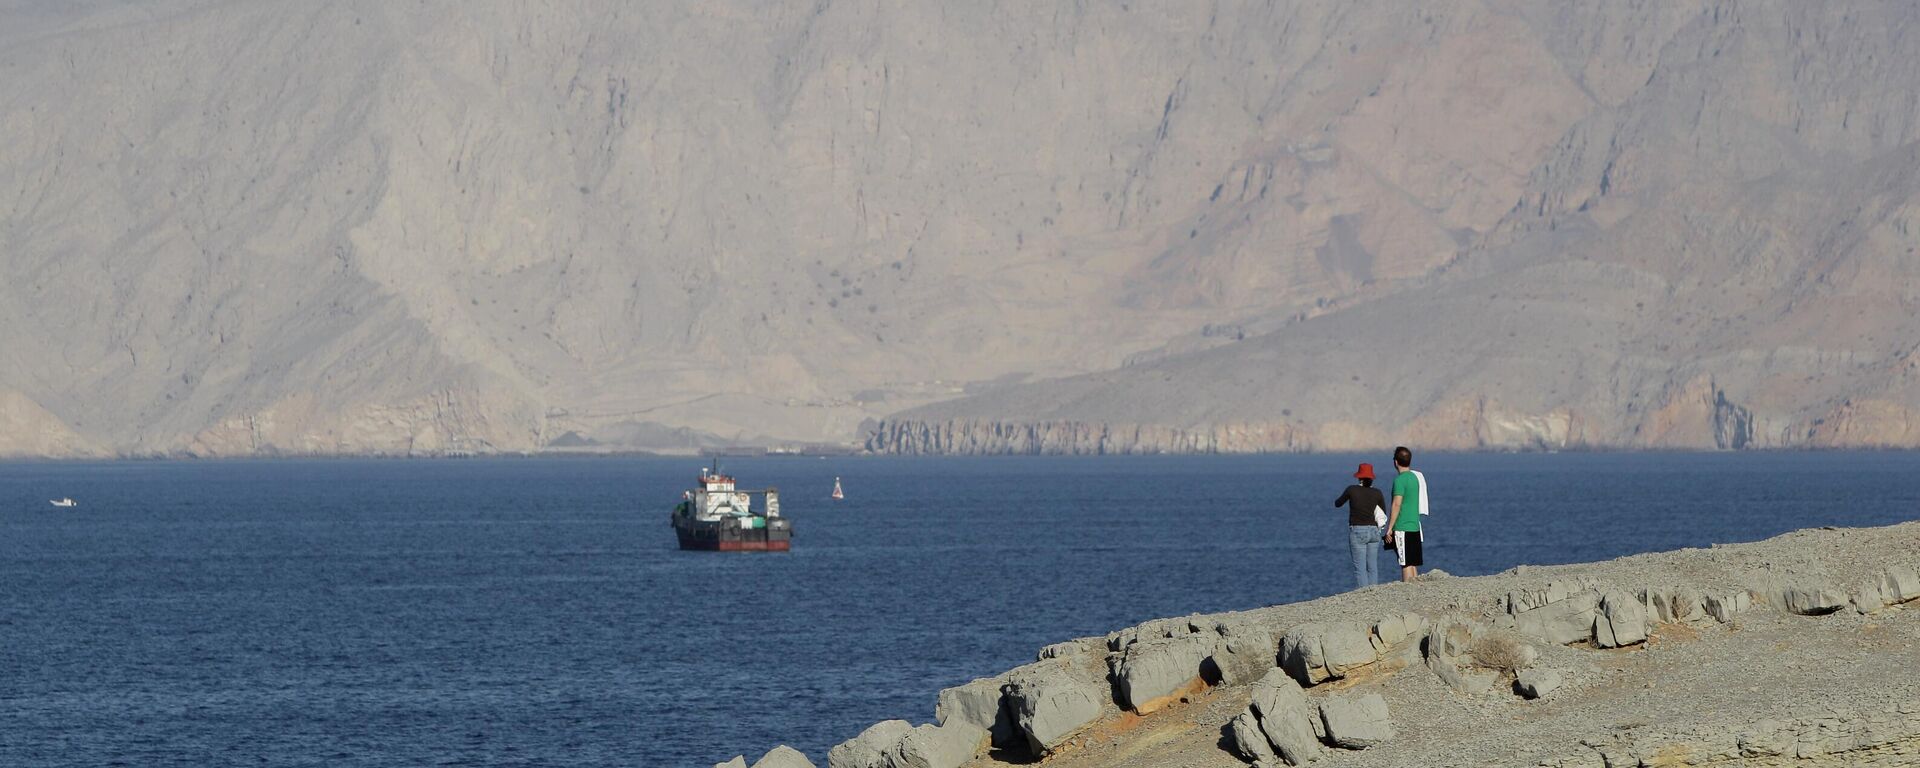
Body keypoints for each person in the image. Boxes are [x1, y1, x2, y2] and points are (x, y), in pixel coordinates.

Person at [1333, 463, 1387, 588]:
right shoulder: (1377, 493)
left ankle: (1364, 596)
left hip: (1358, 531)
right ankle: (1374, 593)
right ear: (1371, 478)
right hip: (1374, 532)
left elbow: (1338, 503)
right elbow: (1383, 511)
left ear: (1359, 477)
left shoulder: (1352, 490)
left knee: (1360, 568)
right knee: (1372, 566)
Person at [1385, 446, 1426, 582]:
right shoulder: (1415, 478)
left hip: (1402, 527)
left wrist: (1390, 528)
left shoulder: (1399, 480)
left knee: (1405, 563)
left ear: (1396, 462)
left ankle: (1407, 593)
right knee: (1412, 563)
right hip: (1414, 526)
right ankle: (1416, 592)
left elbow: (1397, 504)